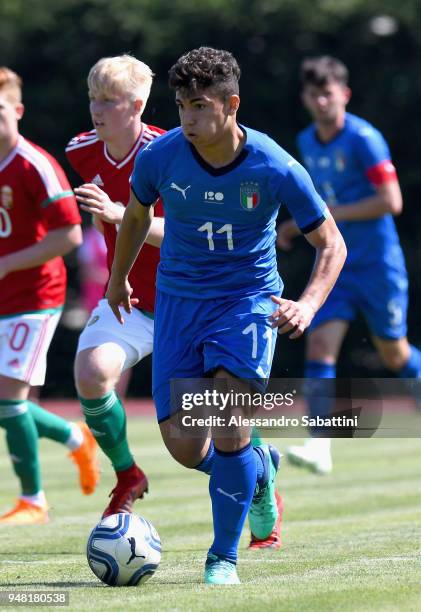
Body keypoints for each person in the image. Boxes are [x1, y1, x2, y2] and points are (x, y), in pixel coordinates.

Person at [106, 47, 346, 584]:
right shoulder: (161, 157)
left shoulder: (275, 165)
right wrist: (118, 276)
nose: (186, 119)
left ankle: (223, 559)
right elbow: (138, 215)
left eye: (197, 106)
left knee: (230, 423)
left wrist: (306, 304)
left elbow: (331, 244)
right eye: (180, 107)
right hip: (180, 304)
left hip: (247, 301)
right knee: (186, 446)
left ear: (230, 105)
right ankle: (259, 475)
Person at [277, 56, 421, 474]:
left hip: (378, 265)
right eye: (314, 93)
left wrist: (333, 213)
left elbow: (391, 201)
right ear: (305, 97)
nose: (322, 100)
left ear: (344, 94)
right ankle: (319, 445)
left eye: (329, 92)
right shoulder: (306, 140)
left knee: (394, 354)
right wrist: (292, 226)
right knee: (320, 344)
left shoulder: (364, 138)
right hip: (335, 263)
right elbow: (318, 204)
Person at [65, 55, 166, 517]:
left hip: (188, 301)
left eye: (108, 100)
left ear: (137, 105)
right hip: (129, 299)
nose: (96, 109)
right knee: (90, 374)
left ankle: (261, 478)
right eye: (93, 99)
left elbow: (186, 231)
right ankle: (128, 473)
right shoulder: (81, 151)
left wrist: (119, 214)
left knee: (210, 425)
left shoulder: (170, 154)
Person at [0, 67, 99, 525]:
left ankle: (33, 500)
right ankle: (77, 439)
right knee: (6, 404)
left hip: (35, 298)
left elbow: (69, 235)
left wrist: (5, 264)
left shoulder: (34, 164)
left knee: (9, 400)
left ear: (17, 111)